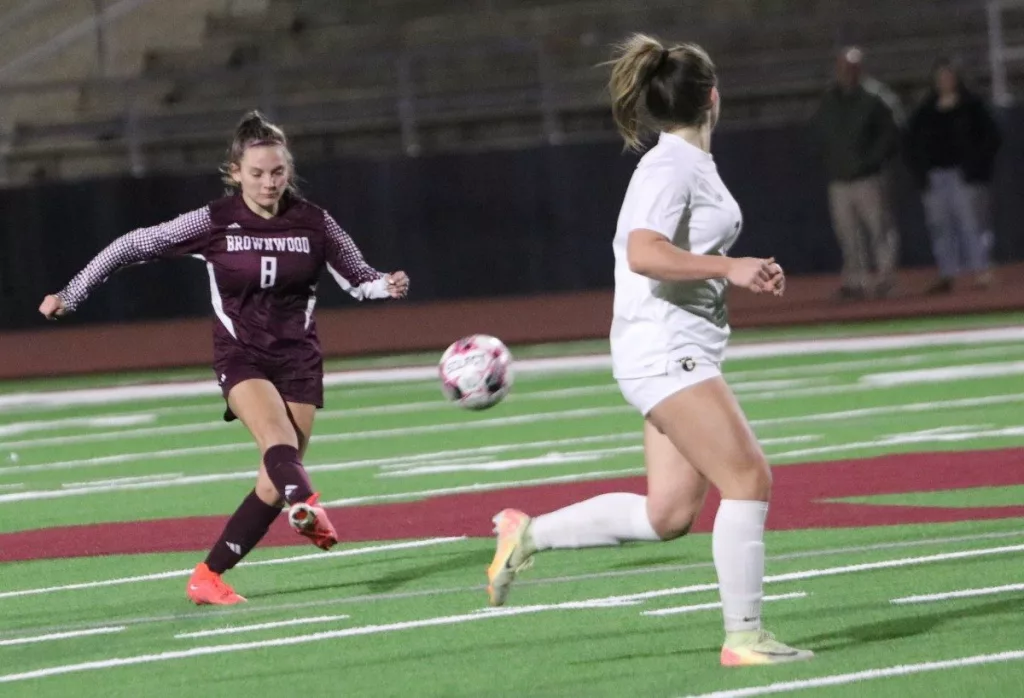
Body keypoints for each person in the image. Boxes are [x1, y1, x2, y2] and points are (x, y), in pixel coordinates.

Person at [484, 34, 812, 667]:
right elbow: (645, 252)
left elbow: (678, 253)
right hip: (665, 350)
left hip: (671, 348)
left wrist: (733, 269)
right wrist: (731, 267)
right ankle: (744, 637)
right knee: (748, 477)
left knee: (669, 513)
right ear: (713, 97)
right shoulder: (669, 167)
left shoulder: (688, 164)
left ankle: (527, 535)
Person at [38, 110, 410, 606]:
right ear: (235, 172)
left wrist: (387, 284)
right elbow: (133, 245)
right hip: (241, 355)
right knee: (279, 444)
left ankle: (208, 576)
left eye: (277, 172)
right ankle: (307, 506)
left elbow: (359, 277)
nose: (268, 182)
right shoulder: (214, 220)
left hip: (299, 360)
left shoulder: (316, 222)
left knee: (273, 482)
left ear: (288, 170)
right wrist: (73, 292)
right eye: (256, 173)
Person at [812, 46, 903, 299]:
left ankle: (885, 278)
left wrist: (871, 161)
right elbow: (820, 134)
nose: (847, 73)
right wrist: (830, 161)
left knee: (879, 229)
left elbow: (891, 133)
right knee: (848, 234)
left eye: (852, 68)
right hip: (840, 178)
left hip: (868, 177)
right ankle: (856, 280)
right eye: (843, 67)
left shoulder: (875, 97)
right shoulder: (830, 99)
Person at [905, 56, 1001, 293]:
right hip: (935, 176)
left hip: (963, 175)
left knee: (972, 223)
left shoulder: (972, 106)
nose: (945, 81)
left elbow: (991, 137)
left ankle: (981, 270)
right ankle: (947, 272)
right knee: (940, 226)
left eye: (949, 76)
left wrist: (976, 164)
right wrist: (921, 170)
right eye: (941, 77)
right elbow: (911, 141)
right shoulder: (926, 109)